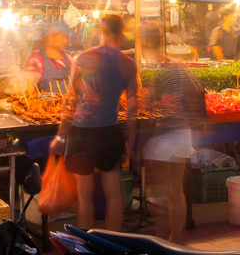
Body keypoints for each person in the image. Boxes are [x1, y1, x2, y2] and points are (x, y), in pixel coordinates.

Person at [50, 14, 137, 231]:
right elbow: (133, 109)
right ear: (120, 34)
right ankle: (113, 243)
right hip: (110, 132)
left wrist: (61, 135)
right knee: (113, 192)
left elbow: (71, 100)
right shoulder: (127, 64)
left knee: (84, 195)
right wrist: (130, 142)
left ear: (100, 31)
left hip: (82, 134)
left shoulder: (82, 58)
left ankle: (85, 245)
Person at [142, 28, 205, 243]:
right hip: (182, 132)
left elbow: (151, 104)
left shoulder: (159, 70)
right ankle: (174, 239)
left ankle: (161, 240)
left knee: (161, 191)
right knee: (175, 189)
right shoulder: (178, 66)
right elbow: (198, 91)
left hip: (162, 134)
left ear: (148, 46)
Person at [24, 22, 73, 94]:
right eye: (63, 37)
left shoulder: (69, 58)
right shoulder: (36, 59)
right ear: (51, 37)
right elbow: (27, 87)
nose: (66, 41)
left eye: (67, 37)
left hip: (67, 104)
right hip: (43, 104)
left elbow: (75, 83)